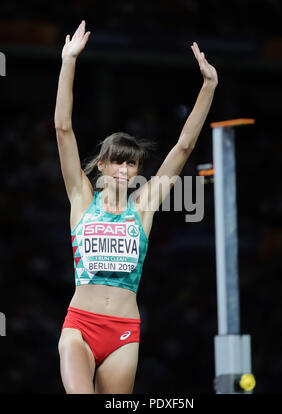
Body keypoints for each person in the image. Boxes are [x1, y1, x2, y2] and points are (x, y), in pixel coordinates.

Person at [54, 20, 218, 394]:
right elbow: (63, 129)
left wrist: (209, 86)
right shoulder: (81, 197)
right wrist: (69, 62)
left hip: (124, 333)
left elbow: (184, 147)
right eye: (117, 161)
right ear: (102, 165)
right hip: (80, 324)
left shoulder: (142, 206)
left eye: (131, 164)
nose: (124, 169)